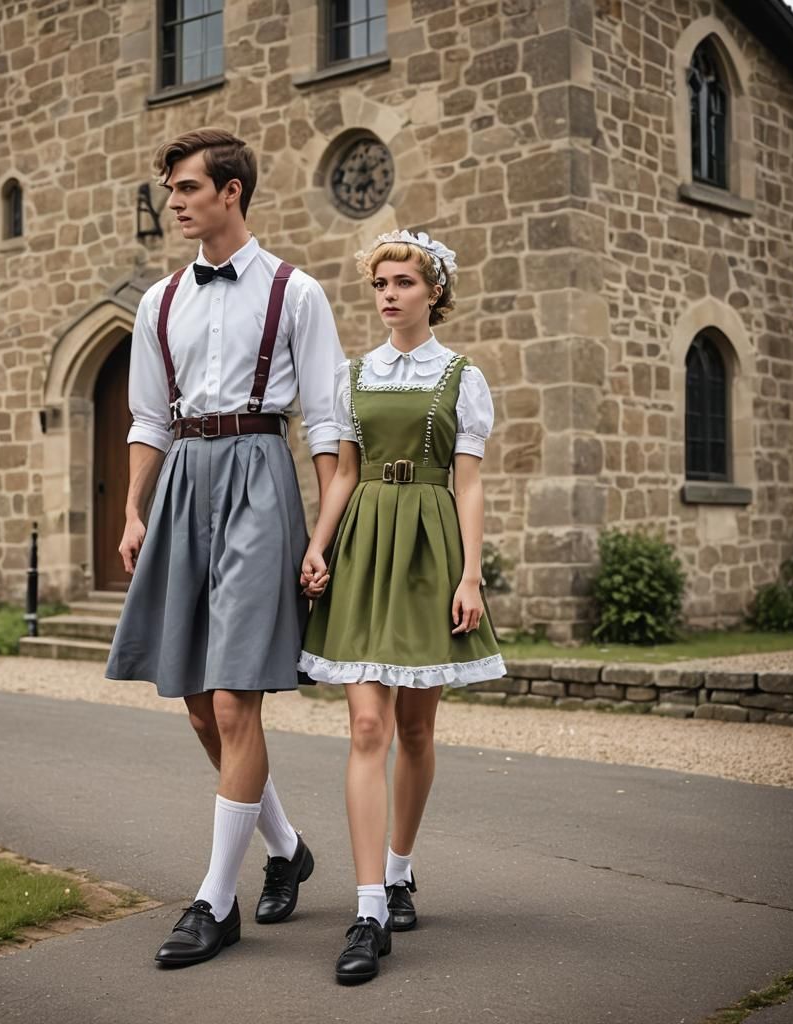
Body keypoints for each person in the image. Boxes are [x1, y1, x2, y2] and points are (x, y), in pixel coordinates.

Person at [104, 129, 344, 968]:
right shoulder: (158, 301)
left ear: (231, 191)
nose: (174, 201)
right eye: (172, 188)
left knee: (237, 698)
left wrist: (321, 530)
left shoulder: (296, 291)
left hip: (257, 475)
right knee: (199, 702)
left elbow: (326, 420)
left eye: (187, 187)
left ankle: (213, 901)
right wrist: (134, 509)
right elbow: (145, 418)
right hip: (182, 483)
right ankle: (286, 847)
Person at [298, 229, 506, 984]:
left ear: (434, 293)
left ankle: (399, 869)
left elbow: (470, 481)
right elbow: (345, 472)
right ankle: (366, 910)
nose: (388, 294)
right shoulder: (354, 375)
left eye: (403, 283)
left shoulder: (462, 376)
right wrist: (319, 544)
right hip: (362, 544)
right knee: (365, 725)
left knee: (416, 727)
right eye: (380, 283)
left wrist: (471, 575)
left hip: (428, 546)